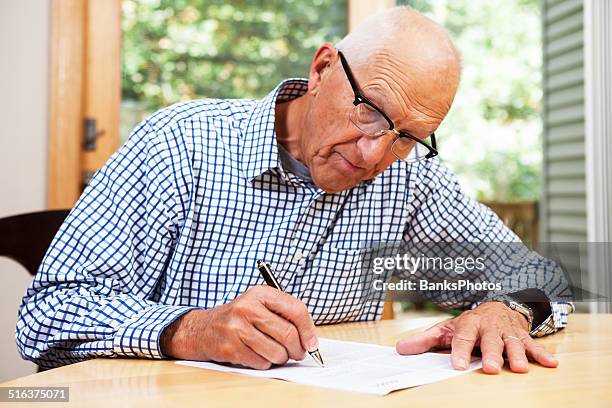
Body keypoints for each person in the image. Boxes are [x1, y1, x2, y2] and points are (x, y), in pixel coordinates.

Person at [17, 6, 573, 374]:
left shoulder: (410, 175)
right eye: (371, 112)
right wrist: (190, 330)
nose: (374, 155)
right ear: (324, 67)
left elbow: (539, 275)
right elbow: (46, 315)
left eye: (408, 137)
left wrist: (509, 310)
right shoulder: (182, 143)